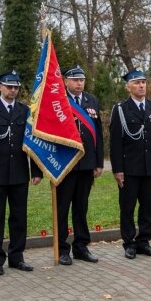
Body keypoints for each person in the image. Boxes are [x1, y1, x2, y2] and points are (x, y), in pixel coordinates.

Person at [0, 71, 42, 275]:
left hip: (20, 172)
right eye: (9, 86)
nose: (13, 90)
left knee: (19, 217)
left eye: (16, 87)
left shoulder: (25, 111)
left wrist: (36, 170)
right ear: (0, 87)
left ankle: (16, 256)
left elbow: (34, 142)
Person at [109, 69, 151, 259]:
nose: (141, 86)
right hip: (129, 168)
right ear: (128, 87)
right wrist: (117, 169)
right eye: (137, 83)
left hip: (149, 167)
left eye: (143, 82)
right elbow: (115, 142)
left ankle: (144, 242)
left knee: (147, 206)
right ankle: (129, 243)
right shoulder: (120, 109)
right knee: (128, 207)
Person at [55, 66, 105, 264]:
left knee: (81, 207)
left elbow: (98, 134)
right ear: (65, 81)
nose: (78, 83)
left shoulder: (91, 101)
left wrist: (99, 161)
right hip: (65, 163)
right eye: (74, 80)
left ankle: (81, 246)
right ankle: (62, 248)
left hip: (86, 163)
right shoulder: (58, 101)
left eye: (81, 80)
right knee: (62, 207)